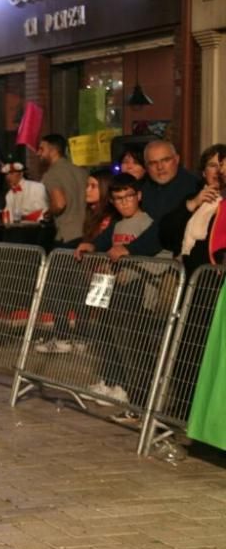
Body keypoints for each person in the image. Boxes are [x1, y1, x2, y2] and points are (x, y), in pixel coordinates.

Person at [74, 174, 162, 411]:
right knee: (107, 336)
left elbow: (157, 257)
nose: (124, 202)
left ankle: (130, 391)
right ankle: (114, 381)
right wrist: (90, 245)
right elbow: (103, 241)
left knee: (131, 344)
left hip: (134, 290)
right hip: (111, 286)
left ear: (139, 196)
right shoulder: (117, 224)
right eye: (118, 198)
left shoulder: (147, 224)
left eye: (128, 197)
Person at [162, 144, 226, 277]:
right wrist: (192, 204)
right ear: (203, 172)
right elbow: (166, 234)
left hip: (215, 279)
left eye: (222, 165)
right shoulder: (192, 198)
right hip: (187, 278)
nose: (218, 170)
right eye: (212, 165)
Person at [37, 133, 88, 247]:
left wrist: (49, 212)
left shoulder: (51, 174)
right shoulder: (81, 171)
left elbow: (59, 204)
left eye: (41, 149)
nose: (38, 153)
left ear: (54, 151)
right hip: (86, 233)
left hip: (67, 235)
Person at [83, 168, 117, 242]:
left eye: (93, 186)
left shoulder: (112, 218)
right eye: (87, 186)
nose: (87, 190)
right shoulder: (89, 212)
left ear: (105, 188)